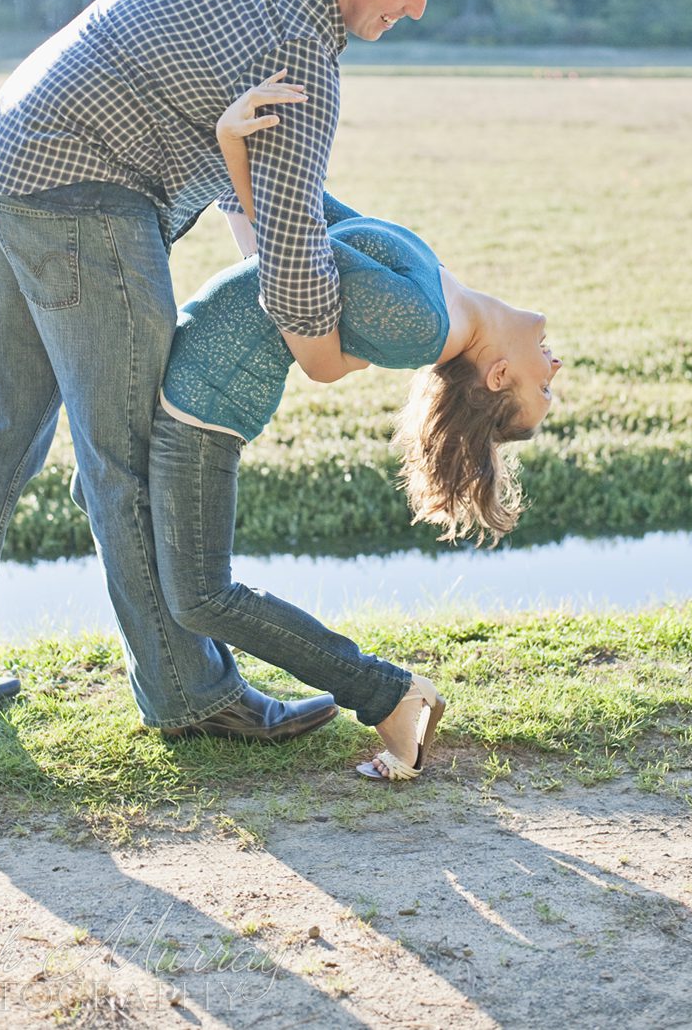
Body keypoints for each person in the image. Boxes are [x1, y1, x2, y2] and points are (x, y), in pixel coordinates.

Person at [0, 0, 455, 739]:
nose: (414, 11)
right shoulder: (300, 54)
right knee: (134, 456)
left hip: (1, 167)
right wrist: (333, 348)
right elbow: (292, 254)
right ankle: (192, 696)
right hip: (80, 200)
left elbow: (249, 185)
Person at [135, 76, 562, 779]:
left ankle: (390, 694)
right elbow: (305, 225)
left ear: (497, 378)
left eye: (544, 386)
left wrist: (229, 149)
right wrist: (241, 161)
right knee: (118, 517)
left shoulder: (426, 326)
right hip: (201, 378)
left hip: (205, 405)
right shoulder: (444, 298)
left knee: (203, 595)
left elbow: (292, 253)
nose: (556, 364)